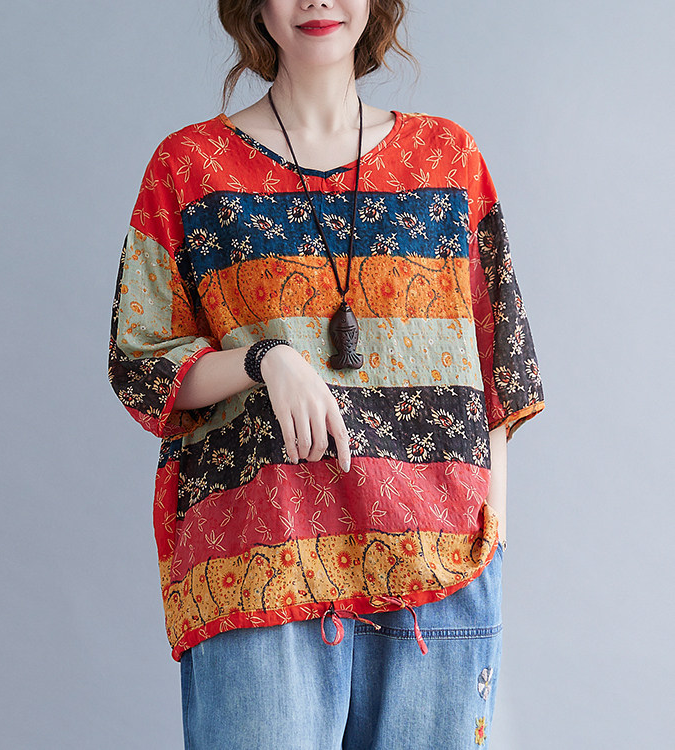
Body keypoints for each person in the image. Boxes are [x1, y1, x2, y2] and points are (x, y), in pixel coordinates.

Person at [108, 1, 545, 747]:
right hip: (258, 573)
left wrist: (490, 544)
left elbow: (499, 362)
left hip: (438, 574)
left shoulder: (448, 161)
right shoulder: (190, 168)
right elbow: (142, 362)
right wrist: (264, 359)